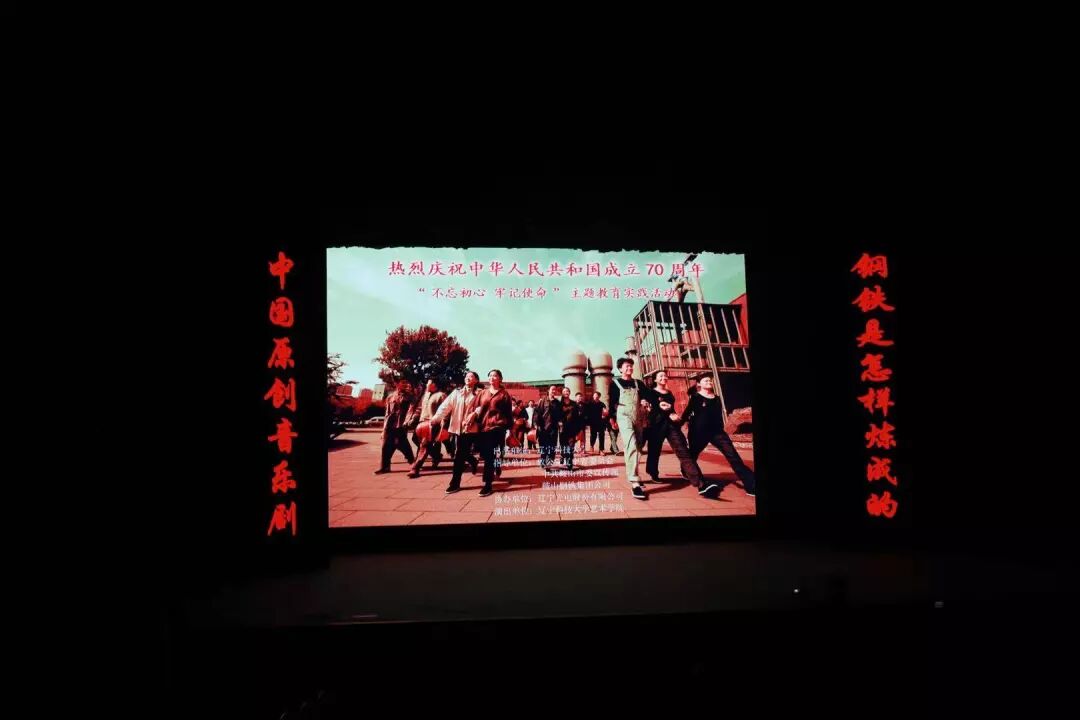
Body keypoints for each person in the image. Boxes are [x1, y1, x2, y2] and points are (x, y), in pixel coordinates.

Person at [677, 372, 756, 499]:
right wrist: (678, 426)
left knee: (733, 456)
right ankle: (686, 470)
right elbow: (686, 414)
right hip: (698, 433)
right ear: (699, 384)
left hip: (717, 433)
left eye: (710, 380)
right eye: (706, 381)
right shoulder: (696, 397)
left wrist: (722, 431)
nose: (709, 382)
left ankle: (751, 484)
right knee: (693, 455)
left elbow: (718, 416)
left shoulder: (717, 398)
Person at [643, 370, 705, 487]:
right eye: (661, 376)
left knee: (682, 449)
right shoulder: (651, 392)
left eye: (665, 375)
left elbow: (671, 409)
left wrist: (675, 416)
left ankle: (697, 480)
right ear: (655, 379)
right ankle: (653, 473)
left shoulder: (669, 393)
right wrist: (666, 412)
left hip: (671, 425)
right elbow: (652, 409)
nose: (664, 377)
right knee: (654, 451)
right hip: (657, 425)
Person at [608, 357, 657, 500]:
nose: (630, 368)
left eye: (631, 366)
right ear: (620, 369)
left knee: (639, 446)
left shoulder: (638, 383)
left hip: (638, 415)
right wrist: (612, 418)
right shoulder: (615, 383)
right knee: (631, 445)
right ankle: (634, 482)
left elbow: (648, 395)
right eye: (627, 366)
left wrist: (646, 400)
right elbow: (612, 402)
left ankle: (634, 472)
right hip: (623, 414)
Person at [429, 371, 484, 493]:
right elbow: (445, 406)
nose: (468, 378)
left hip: (473, 429)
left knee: (461, 454)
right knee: (460, 453)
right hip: (459, 429)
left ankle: (458, 478)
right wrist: (436, 418)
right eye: (466, 376)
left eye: (471, 376)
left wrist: (475, 413)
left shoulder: (480, 393)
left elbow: (483, 406)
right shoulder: (457, 392)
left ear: (476, 380)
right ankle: (466, 468)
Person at [475, 369, 514, 496]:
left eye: (495, 376)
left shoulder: (505, 395)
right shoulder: (482, 393)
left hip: (498, 427)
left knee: (495, 453)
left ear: (500, 379)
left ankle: (488, 484)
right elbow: (476, 408)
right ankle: (493, 471)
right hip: (484, 427)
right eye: (490, 376)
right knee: (488, 455)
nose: (492, 378)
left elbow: (509, 413)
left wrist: (510, 430)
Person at [406, 378, 448, 478]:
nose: (426, 385)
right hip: (421, 423)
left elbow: (446, 411)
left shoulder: (441, 395)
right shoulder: (426, 395)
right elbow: (420, 408)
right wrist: (413, 418)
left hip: (432, 424)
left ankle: (415, 468)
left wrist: (443, 425)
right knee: (415, 439)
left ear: (434, 384)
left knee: (424, 445)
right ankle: (436, 456)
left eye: (428, 383)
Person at [375, 380, 417, 473]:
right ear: (397, 384)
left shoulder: (410, 397)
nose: (405, 385)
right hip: (390, 424)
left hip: (402, 424)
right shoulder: (390, 397)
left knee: (403, 444)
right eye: (402, 383)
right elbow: (387, 413)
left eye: (406, 383)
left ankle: (413, 463)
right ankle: (385, 467)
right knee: (386, 445)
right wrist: (384, 428)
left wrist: (408, 421)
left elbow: (412, 410)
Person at [532, 385, 562, 472]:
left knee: (552, 447)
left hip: (553, 428)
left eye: (555, 390)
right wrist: (536, 424)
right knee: (543, 446)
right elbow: (537, 413)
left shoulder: (557, 402)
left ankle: (548, 464)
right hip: (543, 428)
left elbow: (560, 414)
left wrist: (560, 422)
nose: (554, 391)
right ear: (548, 390)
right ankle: (543, 461)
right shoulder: (542, 401)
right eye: (552, 389)